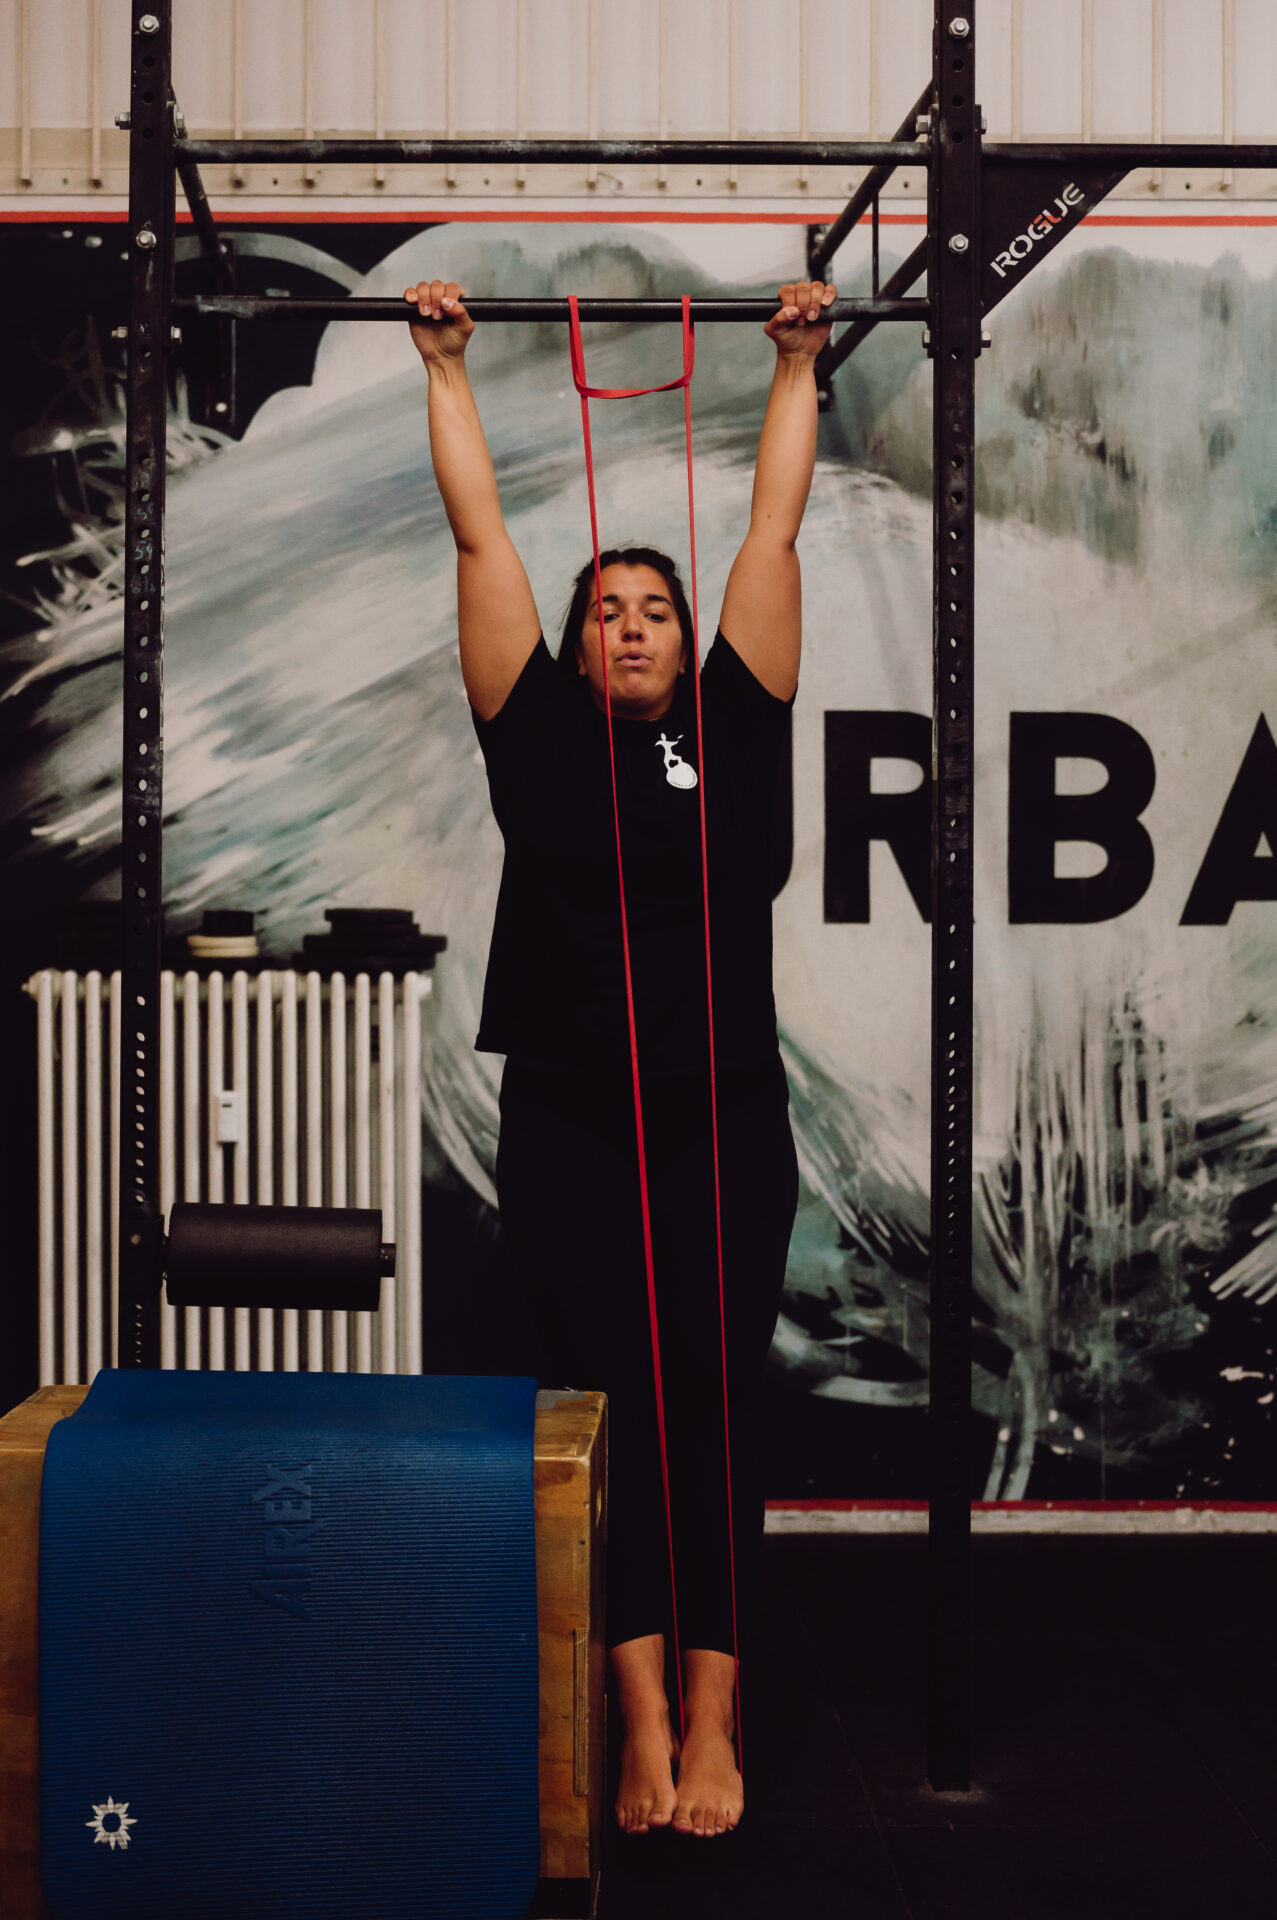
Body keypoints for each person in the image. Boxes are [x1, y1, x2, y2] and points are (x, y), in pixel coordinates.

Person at [406, 272, 836, 1841]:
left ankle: (715, 1718)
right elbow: (482, 545)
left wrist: (795, 365)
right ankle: (638, 1716)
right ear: (580, 651)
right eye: (609, 610)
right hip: (570, 1125)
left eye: (655, 606)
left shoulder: (737, 725)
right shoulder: (532, 738)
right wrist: (445, 369)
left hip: (723, 1120)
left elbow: (771, 534)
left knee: (712, 1407)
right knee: (606, 1403)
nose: (635, 623)